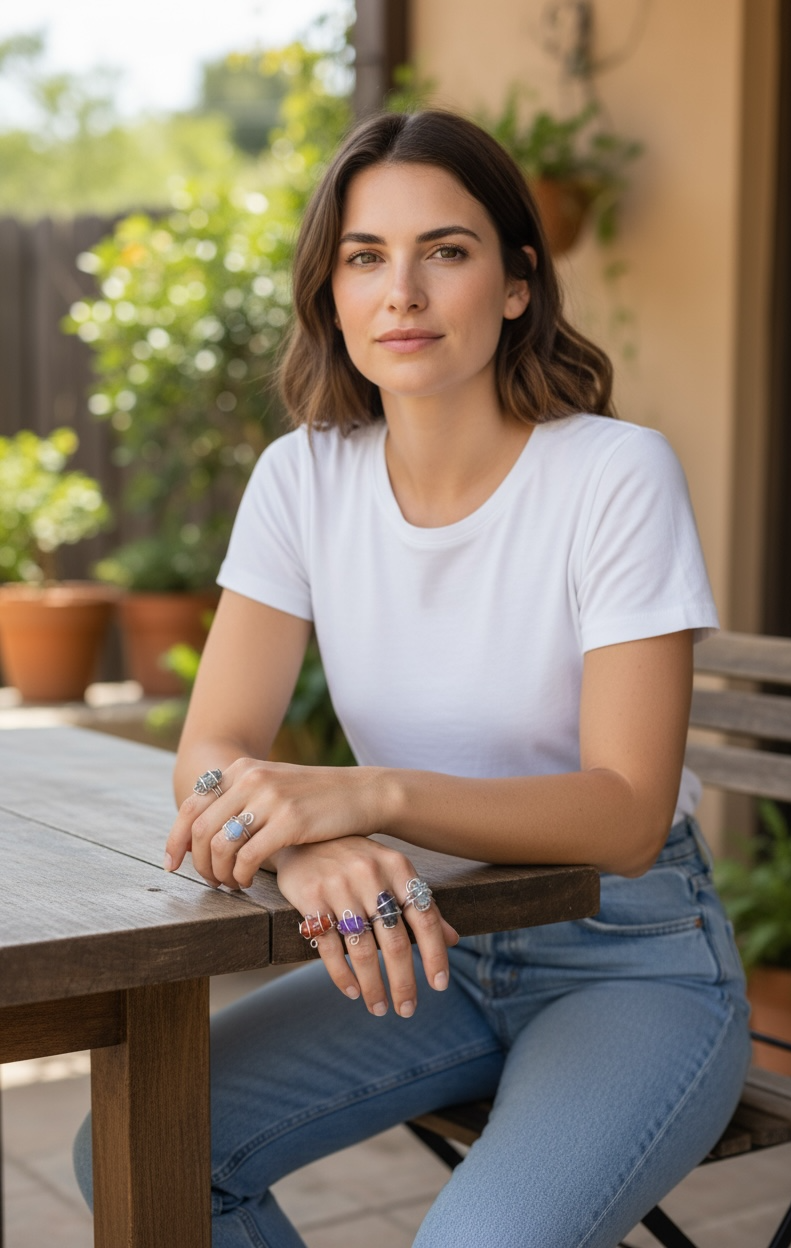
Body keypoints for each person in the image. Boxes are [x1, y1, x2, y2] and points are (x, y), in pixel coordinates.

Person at [74, 108, 750, 1247]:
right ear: (331, 295)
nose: (404, 292)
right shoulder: (303, 480)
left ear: (517, 285)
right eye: (365, 257)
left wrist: (371, 793)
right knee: (145, 1148)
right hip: (422, 939)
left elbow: (628, 814)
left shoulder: (612, 475)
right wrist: (300, 842)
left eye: (447, 250)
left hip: (626, 957)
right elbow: (211, 747)